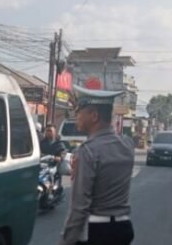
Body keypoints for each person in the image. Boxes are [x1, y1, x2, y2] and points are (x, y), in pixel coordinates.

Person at [59, 86, 135, 245]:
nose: (76, 116)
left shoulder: (87, 151)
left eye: (80, 111)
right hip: (124, 228)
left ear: (94, 116)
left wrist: (66, 241)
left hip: (97, 232)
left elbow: (79, 207)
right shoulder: (127, 145)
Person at [40, 123, 66, 196]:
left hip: (54, 165)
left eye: (50, 131)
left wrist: (59, 157)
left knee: (51, 172)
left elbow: (63, 153)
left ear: (54, 132)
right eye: (47, 131)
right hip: (43, 164)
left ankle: (51, 191)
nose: (48, 133)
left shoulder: (59, 144)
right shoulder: (42, 143)